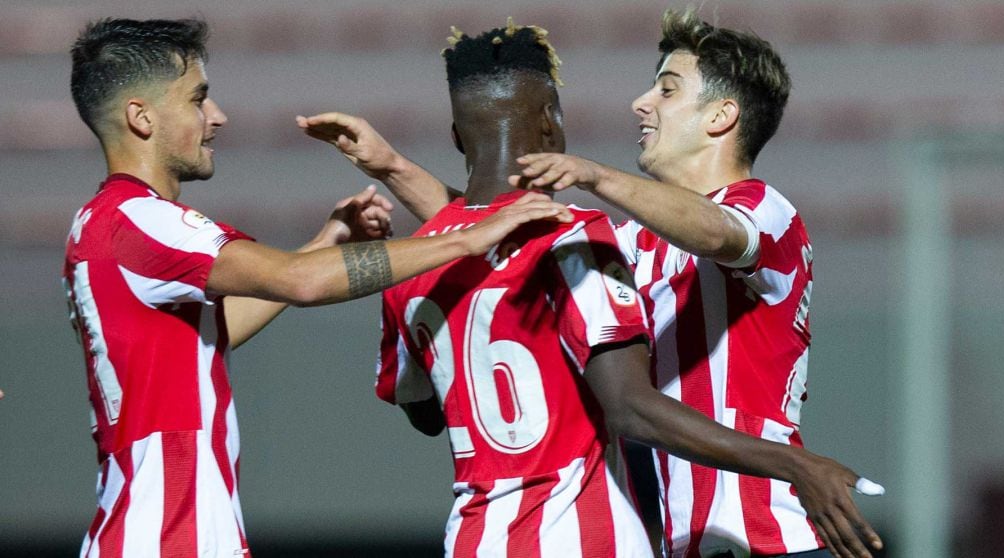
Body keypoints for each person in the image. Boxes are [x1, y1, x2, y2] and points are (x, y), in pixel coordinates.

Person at [302, 18, 880, 558]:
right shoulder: (632, 242)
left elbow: (719, 233)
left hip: (765, 533)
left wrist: (595, 174)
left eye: (668, 90)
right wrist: (392, 168)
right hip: (685, 540)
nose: (642, 103)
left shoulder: (765, 210)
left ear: (721, 116)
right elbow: (501, 236)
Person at [64, 18, 571, 558]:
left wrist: (325, 241)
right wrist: (465, 241)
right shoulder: (141, 220)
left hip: (151, 531)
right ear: (141, 117)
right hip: (167, 539)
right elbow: (301, 284)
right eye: (198, 99)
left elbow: (218, 329)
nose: (217, 117)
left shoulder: (98, 224)